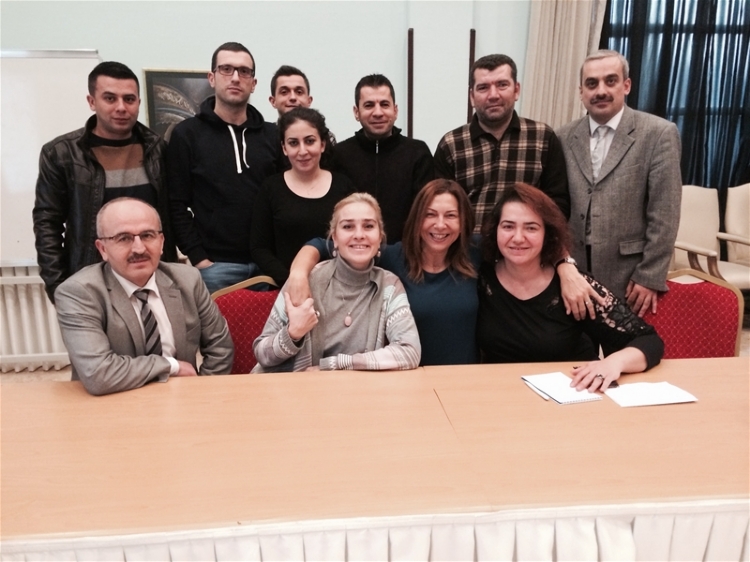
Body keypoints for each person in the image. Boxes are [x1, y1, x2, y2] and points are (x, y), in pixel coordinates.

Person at [287, 180, 599, 366]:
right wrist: (299, 273)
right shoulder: (391, 257)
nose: (440, 225)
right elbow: (324, 244)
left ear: (463, 222)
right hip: (405, 376)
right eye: (430, 215)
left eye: (451, 215)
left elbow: (532, 244)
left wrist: (566, 266)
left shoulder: (476, 254)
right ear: (417, 219)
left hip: (464, 380)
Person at [476, 183, 664, 392]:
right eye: (508, 226)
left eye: (531, 228)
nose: (518, 238)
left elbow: (649, 340)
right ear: (495, 230)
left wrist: (613, 362)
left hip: (571, 395)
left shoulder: (573, 285)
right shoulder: (481, 277)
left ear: (548, 234)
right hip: (503, 394)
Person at [54, 198, 234, 396]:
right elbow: (98, 374)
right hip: (114, 403)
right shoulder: (78, 292)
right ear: (102, 249)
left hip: (183, 399)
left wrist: (200, 394)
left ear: (162, 242)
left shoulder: (188, 279)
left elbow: (220, 348)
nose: (139, 249)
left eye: (147, 235)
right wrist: (171, 366)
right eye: (124, 238)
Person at [33, 61, 176, 304]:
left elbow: (172, 215)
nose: (121, 107)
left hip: (152, 281)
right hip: (91, 284)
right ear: (92, 101)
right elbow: (47, 225)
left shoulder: (158, 150)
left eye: (129, 99)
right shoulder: (61, 154)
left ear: (138, 103)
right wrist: (59, 289)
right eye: (110, 98)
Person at [556, 50, 682, 316]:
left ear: (626, 85)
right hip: (575, 275)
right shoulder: (563, 137)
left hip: (630, 277)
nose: (600, 91)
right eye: (592, 83)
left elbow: (665, 212)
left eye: (610, 81)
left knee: (628, 343)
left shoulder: (658, 134)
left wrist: (649, 275)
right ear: (581, 92)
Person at [252, 193, 421, 372]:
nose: (359, 235)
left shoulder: (389, 286)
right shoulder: (305, 279)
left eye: (368, 226)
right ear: (334, 238)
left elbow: (409, 352)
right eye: (348, 226)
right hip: (289, 385)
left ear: (379, 237)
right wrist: (292, 334)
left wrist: (334, 364)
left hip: (349, 387)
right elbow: (261, 354)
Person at [167, 42, 284, 294]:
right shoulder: (187, 135)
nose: (235, 77)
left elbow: (284, 198)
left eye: (244, 71)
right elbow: (175, 203)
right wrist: (200, 259)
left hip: (268, 265)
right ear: (212, 78)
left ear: (253, 83)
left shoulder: (273, 135)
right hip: (214, 268)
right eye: (226, 69)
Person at [434, 54, 570, 233]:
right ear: (472, 96)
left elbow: (558, 204)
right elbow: (440, 208)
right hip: (468, 247)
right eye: (483, 87)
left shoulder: (543, 138)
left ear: (516, 90)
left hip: (524, 243)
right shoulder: (451, 145)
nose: (493, 95)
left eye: (502, 85)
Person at [250, 107, 354, 285]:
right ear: (284, 148)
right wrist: (292, 281)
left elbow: (355, 237)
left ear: (322, 144)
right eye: (293, 143)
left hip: (340, 287)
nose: (303, 151)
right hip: (288, 288)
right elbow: (259, 248)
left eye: (310, 141)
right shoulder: (271, 188)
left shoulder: (343, 186)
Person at [331, 74, 434, 242]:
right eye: (369, 105)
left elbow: (426, 210)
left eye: (384, 104)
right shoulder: (339, 154)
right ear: (356, 112)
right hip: (354, 249)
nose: (378, 112)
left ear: (395, 110)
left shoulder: (418, 152)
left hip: (406, 252)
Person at [268, 65, 336, 145]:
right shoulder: (265, 137)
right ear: (273, 101)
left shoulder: (325, 137)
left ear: (309, 101)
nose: (293, 97)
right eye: (284, 92)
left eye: (299, 92)